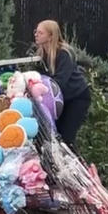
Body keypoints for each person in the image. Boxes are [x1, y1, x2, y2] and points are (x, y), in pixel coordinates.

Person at [34, 19, 90, 148]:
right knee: (54, 135)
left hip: (76, 98)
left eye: (40, 32)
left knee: (67, 137)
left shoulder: (64, 54)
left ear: (51, 36)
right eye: (36, 31)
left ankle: (75, 165)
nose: (36, 34)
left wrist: (40, 86)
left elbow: (59, 82)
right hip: (60, 99)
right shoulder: (41, 55)